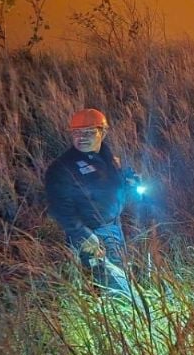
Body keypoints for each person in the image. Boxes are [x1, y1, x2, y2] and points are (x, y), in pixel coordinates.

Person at [44, 108, 135, 295]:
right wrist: (82, 235)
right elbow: (60, 208)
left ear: (103, 132)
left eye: (89, 132)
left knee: (119, 273)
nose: (82, 137)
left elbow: (110, 186)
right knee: (115, 286)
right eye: (76, 132)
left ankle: (118, 317)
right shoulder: (62, 167)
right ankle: (117, 316)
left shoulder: (107, 157)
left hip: (113, 227)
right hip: (91, 234)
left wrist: (128, 182)